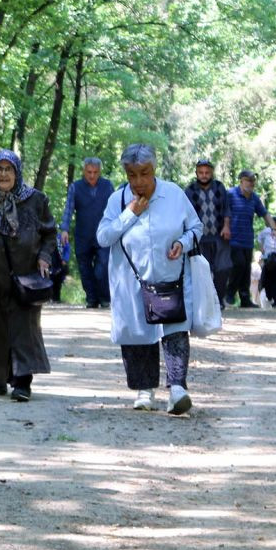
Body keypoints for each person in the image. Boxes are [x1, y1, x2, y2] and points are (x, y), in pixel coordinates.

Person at [97, 144, 203, 415]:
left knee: (175, 327)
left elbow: (196, 227)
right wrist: (130, 213)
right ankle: (145, 390)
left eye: (144, 173)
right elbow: (103, 237)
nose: (139, 182)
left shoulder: (174, 195)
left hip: (171, 278)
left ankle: (178, 389)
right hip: (132, 281)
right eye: (132, 175)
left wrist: (183, 241)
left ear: (154, 169)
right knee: (138, 332)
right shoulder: (117, 200)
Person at [0, 150, 57, 402]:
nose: (4, 174)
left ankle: (22, 382)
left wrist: (44, 257)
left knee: (23, 327)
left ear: (17, 172)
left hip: (26, 275)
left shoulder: (35, 200)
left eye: (9, 169)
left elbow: (50, 234)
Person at [60, 157, 115, 308]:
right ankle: (91, 298)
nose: (92, 175)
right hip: (82, 235)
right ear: (84, 171)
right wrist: (64, 229)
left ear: (100, 172)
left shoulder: (107, 186)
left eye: (95, 172)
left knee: (102, 268)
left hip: (103, 235)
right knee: (84, 268)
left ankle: (104, 298)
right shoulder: (75, 187)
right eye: (89, 172)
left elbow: (115, 209)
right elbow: (68, 209)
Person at [183, 158, 232, 310]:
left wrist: (226, 226)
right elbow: (186, 213)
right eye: (201, 172)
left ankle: (219, 299)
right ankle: (205, 301)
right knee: (201, 270)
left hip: (219, 234)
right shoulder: (190, 190)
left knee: (223, 267)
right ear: (196, 173)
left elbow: (226, 208)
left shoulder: (219, 187)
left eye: (207, 172)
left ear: (211, 173)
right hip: (199, 237)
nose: (204, 175)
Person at [225, 170, 269, 308]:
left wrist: (275, 228)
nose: (250, 183)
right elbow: (223, 213)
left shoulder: (254, 198)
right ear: (241, 181)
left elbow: (265, 214)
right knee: (239, 264)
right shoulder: (230, 194)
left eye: (252, 181)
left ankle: (245, 299)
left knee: (246, 271)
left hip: (247, 240)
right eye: (248, 180)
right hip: (232, 239)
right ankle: (229, 294)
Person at [258, 215, 276, 304]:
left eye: (275, 224)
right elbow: (259, 238)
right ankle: (269, 296)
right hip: (268, 258)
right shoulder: (266, 231)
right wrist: (261, 248)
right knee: (267, 279)